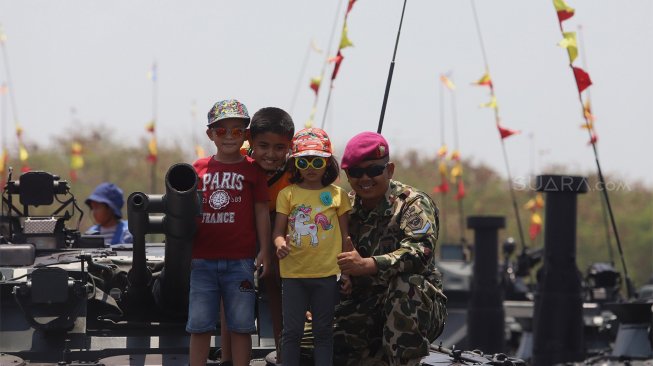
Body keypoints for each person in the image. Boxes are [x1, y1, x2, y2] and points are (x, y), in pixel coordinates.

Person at [334, 131, 448, 366]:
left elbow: (420, 251)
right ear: (347, 174)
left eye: (374, 170)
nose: (365, 178)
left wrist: (368, 265)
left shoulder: (412, 203)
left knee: (404, 286)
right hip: (364, 301)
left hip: (416, 305)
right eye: (356, 172)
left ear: (390, 170)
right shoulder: (345, 209)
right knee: (311, 341)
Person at [186, 99, 271, 366]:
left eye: (237, 130)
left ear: (245, 135)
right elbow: (184, 214)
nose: (230, 136)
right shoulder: (197, 169)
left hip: (240, 261)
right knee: (199, 325)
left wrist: (265, 250)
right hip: (202, 260)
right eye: (222, 131)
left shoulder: (252, 170)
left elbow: (261, 212)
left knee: (242, 325)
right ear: (210, 134)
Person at [218, 106, 295, 366]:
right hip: (239, 225)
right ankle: (228, 357)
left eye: (279, 148)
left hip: (278, 228)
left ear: (289, 146)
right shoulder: (235, 159)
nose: (270, 155)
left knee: (276, 286)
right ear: (249, 139)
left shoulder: (295, 170)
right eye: (263, 146)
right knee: (232, 289)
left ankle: (284, 353)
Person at [272, 127, 352, 366]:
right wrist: (279, 245)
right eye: (303, 162)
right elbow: (278, 233)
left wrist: (346, 272)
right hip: (293, 274)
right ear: (295, 164)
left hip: (327, 275)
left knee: (324, 333)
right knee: (292, 332)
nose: (310, 168)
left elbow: (346, 239)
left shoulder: (339, 195)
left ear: (327, 164)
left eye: (317, 161)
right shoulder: (287, 194)